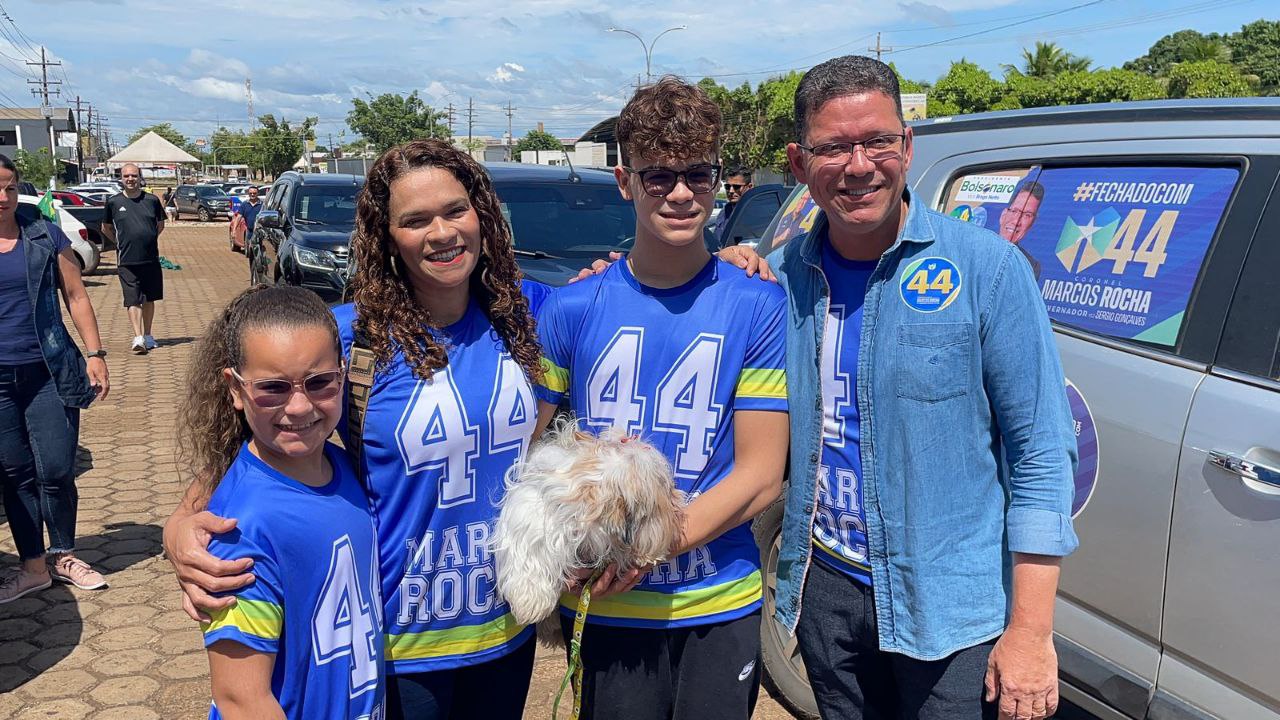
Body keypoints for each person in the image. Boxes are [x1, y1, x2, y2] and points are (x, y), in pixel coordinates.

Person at [164, 138, 549, 720]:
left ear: (483, 214)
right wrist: (180, 526)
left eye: (455, 210)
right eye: (415, 220)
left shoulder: (531, 314)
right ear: (386, 237)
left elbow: (622, 292)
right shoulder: (350, 337)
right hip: (397, 648)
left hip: (507, 630)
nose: (441, 233)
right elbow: (254, 435)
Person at [768, 55, 1078, 720]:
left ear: (907, 147)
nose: (859, 166)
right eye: (833, 148)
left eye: (878, 141)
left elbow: (1042, 454)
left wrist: (1030, 632)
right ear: (799, 163)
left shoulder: (989, 270)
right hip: (826, 590)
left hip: (953, 608)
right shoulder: (776, 278)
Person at [533, 77, 790, 720]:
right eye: (658, 176)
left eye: (697, 175)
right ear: (625, 182)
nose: (680, 193)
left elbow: (761, 475)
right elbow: (529, 450)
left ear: (718, 181)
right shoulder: (571, 307)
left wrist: (642, 546)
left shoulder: (758, 303)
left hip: (717, 601)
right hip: (608, 604)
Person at [179, 285, 384, 719]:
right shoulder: (240, 529)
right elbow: (241, 700)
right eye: (273, 387)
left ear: (343, 375)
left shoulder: (342, 465)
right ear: (235, 389)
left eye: (320, 382)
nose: (300, 406)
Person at [0, 153, 111, 603]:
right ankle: (32, 567)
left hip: (49, 368)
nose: (3, 196)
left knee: (57, 468)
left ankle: (63, 554)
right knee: (14, 473)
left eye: (9, 186)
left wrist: (95, 354)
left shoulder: (44, 233)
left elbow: (76, 294)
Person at [101, 162, 166, 354]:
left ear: (140, 177)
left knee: (149, 298)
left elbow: (160, 225)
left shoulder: (152, 200)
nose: (130, 179)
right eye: (126, 176)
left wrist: (148, 238)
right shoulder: (114, 202)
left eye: (134, 176)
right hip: (126, 261)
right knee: (132, 299)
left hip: (150, 258)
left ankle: (148, 335)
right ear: (121, 178)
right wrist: (119, 242)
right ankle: (138, 337)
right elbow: (106, 227)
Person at [998, 180, 1044, 279]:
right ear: (1003, 214)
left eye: (1027, 215)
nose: (1016, 221)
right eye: (1014, 211)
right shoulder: (976, 248)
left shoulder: (1030, 267)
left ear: (1032, 223)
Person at [711, 166, 754, 243]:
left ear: (749, 187)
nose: (731, 191)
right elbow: (717, 239)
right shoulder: (725, 211)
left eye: (736, 187)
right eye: (727, 186)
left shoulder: (756, 212)